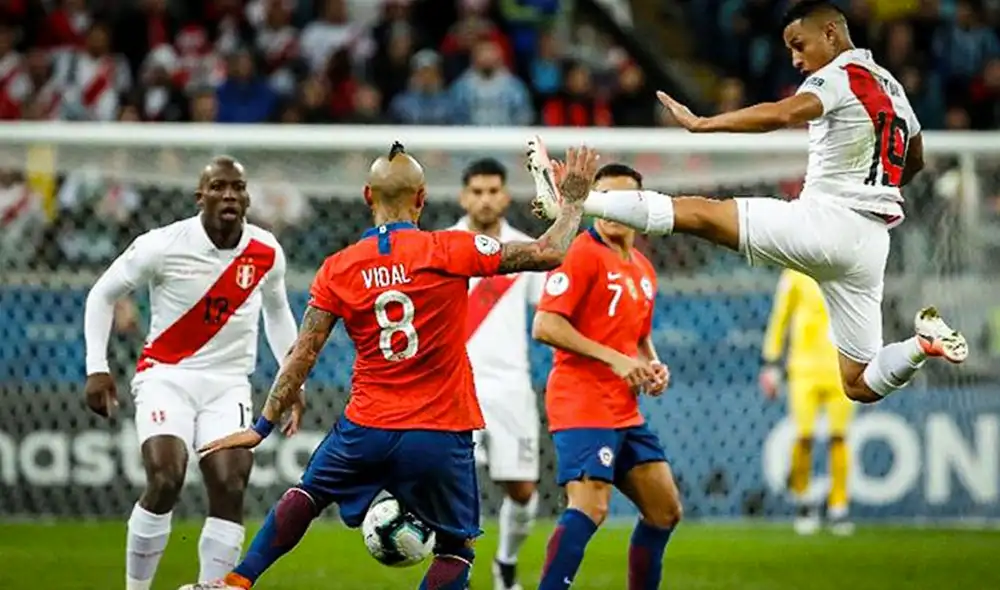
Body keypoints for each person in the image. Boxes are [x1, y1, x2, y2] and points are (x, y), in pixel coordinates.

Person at [178, 139, 598, 590]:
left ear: (367, 197)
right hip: (440, 428)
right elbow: (548, 253)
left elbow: (304, 351)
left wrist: (262, 425)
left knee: (308, 493)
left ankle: (237, 582)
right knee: (456, 549)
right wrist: (572, 202)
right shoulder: (449, 249)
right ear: (421, 199)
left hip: (367, 425)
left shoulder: (338, 268)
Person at [532, 0, 968, 407]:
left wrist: (704, 124)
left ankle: (577, 201)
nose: (796, 60)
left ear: (831, 33)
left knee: (699, 214)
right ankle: (920, 344)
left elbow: (783, 114)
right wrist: (875, 186)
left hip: (825, 223)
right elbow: (915, 160)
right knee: (857, 383)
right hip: (871, 244)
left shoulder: (840, 75)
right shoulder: (894, 88)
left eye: (800, 46)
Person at [82, 156, 299, 590]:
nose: (229, 196)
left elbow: (278, 314)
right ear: (200, 197)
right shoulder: (161, 245)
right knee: (166, 478)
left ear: (248, 197)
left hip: (229, 384)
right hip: (166, 377)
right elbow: (102, 295)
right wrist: (97, 368)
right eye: (218, 187)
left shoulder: (265, 251)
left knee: (231, 484)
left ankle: (211, 588)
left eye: (237, 188)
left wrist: (293, 380)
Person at [532, 164, 680, 590]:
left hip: (624, 409)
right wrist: (616, 359)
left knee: (664, 510)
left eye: (622, 200)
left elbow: (635, 336)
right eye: (603, 199)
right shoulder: (581, 252)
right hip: (581, 401)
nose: (611, 210)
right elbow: (545, 325)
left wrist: (652, 364)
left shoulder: (643, 269)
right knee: (591, 507)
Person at [450, 158, 544, 590]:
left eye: (493, 191)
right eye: (477, 191)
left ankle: (505, 562)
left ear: (506, 196)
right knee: (450, 490)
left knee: (523, 491)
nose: (485, 199)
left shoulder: (528, 249)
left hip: (509, 386)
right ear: (463, 196)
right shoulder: (440, 245)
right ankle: (453, 572)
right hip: (451, 386)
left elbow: (552, 310)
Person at [760, 269, 855, 536]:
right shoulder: (795, 272)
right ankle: (803, 501)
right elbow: (781, 316)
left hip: (840, 369)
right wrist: (771, 361)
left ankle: (838, 506)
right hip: (803, 369)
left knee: (840, 437)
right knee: (804, 436)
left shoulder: (845, 267)